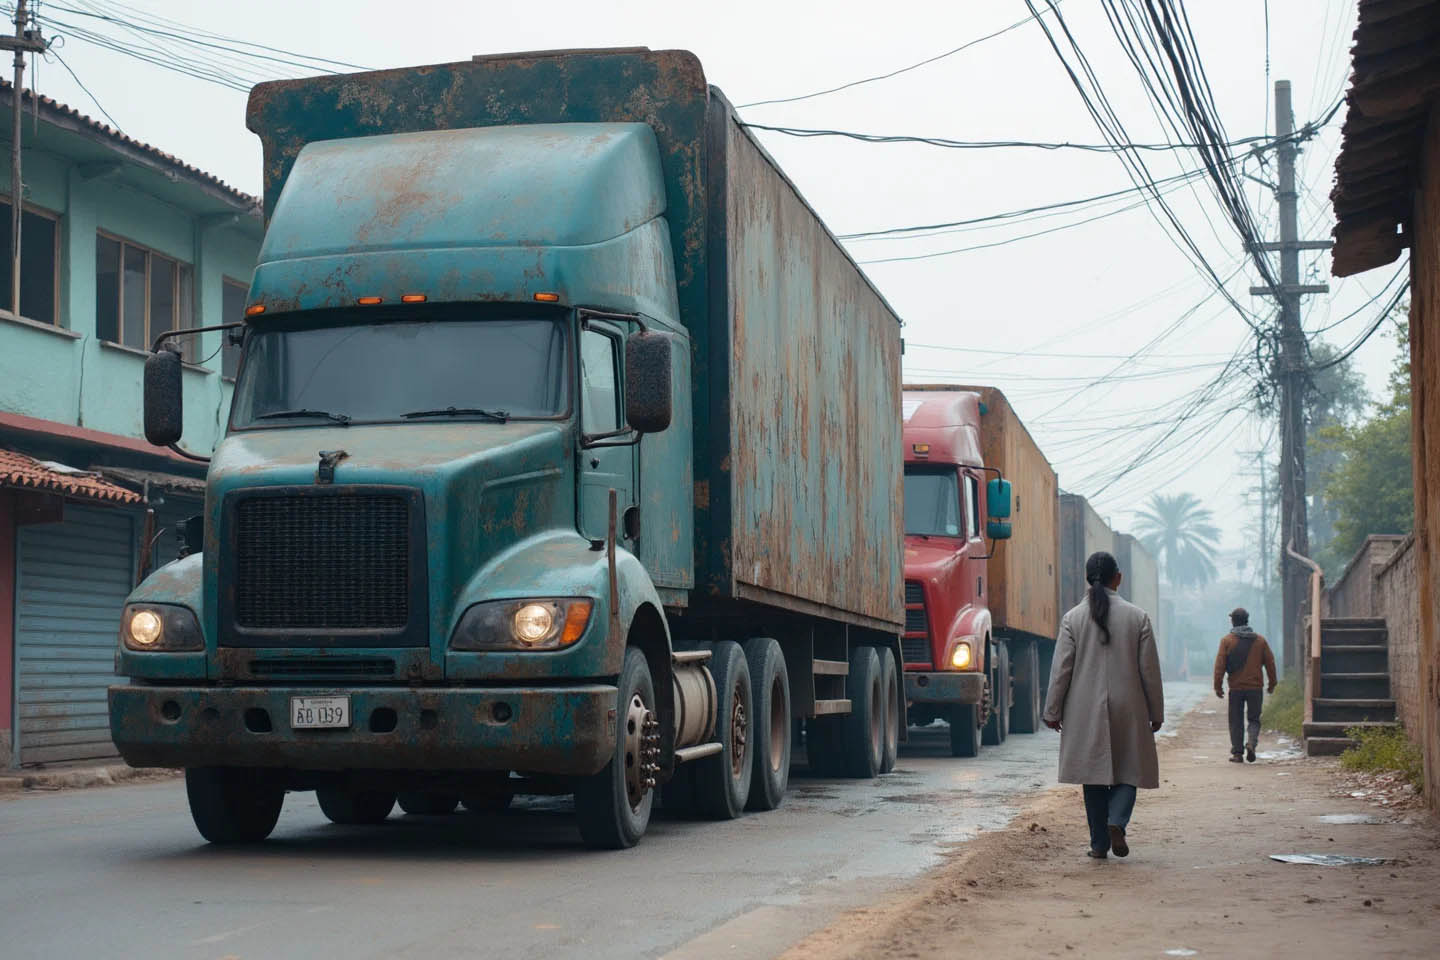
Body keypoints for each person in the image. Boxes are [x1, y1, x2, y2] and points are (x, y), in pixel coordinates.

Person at [1043, 551, 1164, 860]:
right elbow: (1149, 670)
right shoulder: (1138, 617)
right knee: (1129, 771)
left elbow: (1062, 670)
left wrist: (1052, 711)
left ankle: (1099, 844)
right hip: (1130, 706)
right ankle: (1116, 822)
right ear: (1118, 578)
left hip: (1084, 708)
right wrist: (1156, 712)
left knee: (1093, 774)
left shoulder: (1073, 618)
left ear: (1087, 579)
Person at [1213, 607, 1277, 764]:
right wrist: (1272, 683)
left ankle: (1237, 753)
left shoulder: (1227, 641)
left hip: (1236, 688)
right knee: (1254, 719)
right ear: (1247, 620)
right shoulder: (1260, 641)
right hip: (1255, 688)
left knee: (1236, 720)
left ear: (1233, 621)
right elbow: (1270, 663)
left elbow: (1220, 666)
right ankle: (1252, 743)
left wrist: (1218, 686)